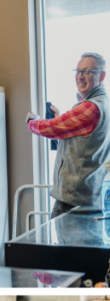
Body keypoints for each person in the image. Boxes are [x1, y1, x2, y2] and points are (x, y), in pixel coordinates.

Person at [27, 52, 110, 219]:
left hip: (73, 201)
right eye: (78, 71)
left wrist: (31, 122)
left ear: (101, 76)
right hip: (89, 196)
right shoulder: (103, 103)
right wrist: (60, 120)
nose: (80, 76)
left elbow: (50, 128)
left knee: (67, 246)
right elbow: (81, 140)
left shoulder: (91, 107)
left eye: (87, 72)